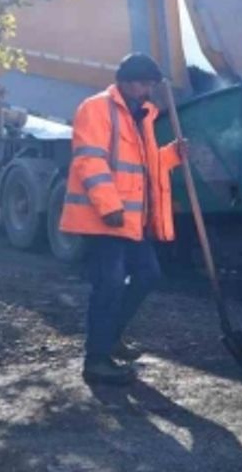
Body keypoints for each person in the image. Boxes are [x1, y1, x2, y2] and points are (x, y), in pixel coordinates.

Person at [60, 53, 186, 386]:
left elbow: (143, 166)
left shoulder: (141, 115)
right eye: (144, 83)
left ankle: (110, 336)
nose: (148, 90)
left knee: (148, 275)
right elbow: (90, 160)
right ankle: (96, 360)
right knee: (110, 284)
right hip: (103, 219)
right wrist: (109, 206)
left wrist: (172, 155)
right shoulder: (96, 108)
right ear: (127, 80)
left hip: (130, 221)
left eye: (150, 84)